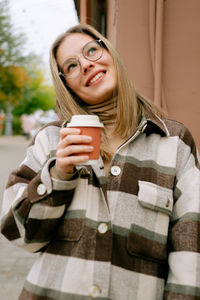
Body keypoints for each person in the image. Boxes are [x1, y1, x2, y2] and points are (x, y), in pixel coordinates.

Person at [0, 23, 200, 300]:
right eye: (71, 66)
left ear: (110, 53)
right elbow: (19, 235)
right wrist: (58, 174)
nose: (85, 65)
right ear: (66, 84)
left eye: (91, 51)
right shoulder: (51, 140)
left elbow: (191, 248)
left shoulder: (174, 142)